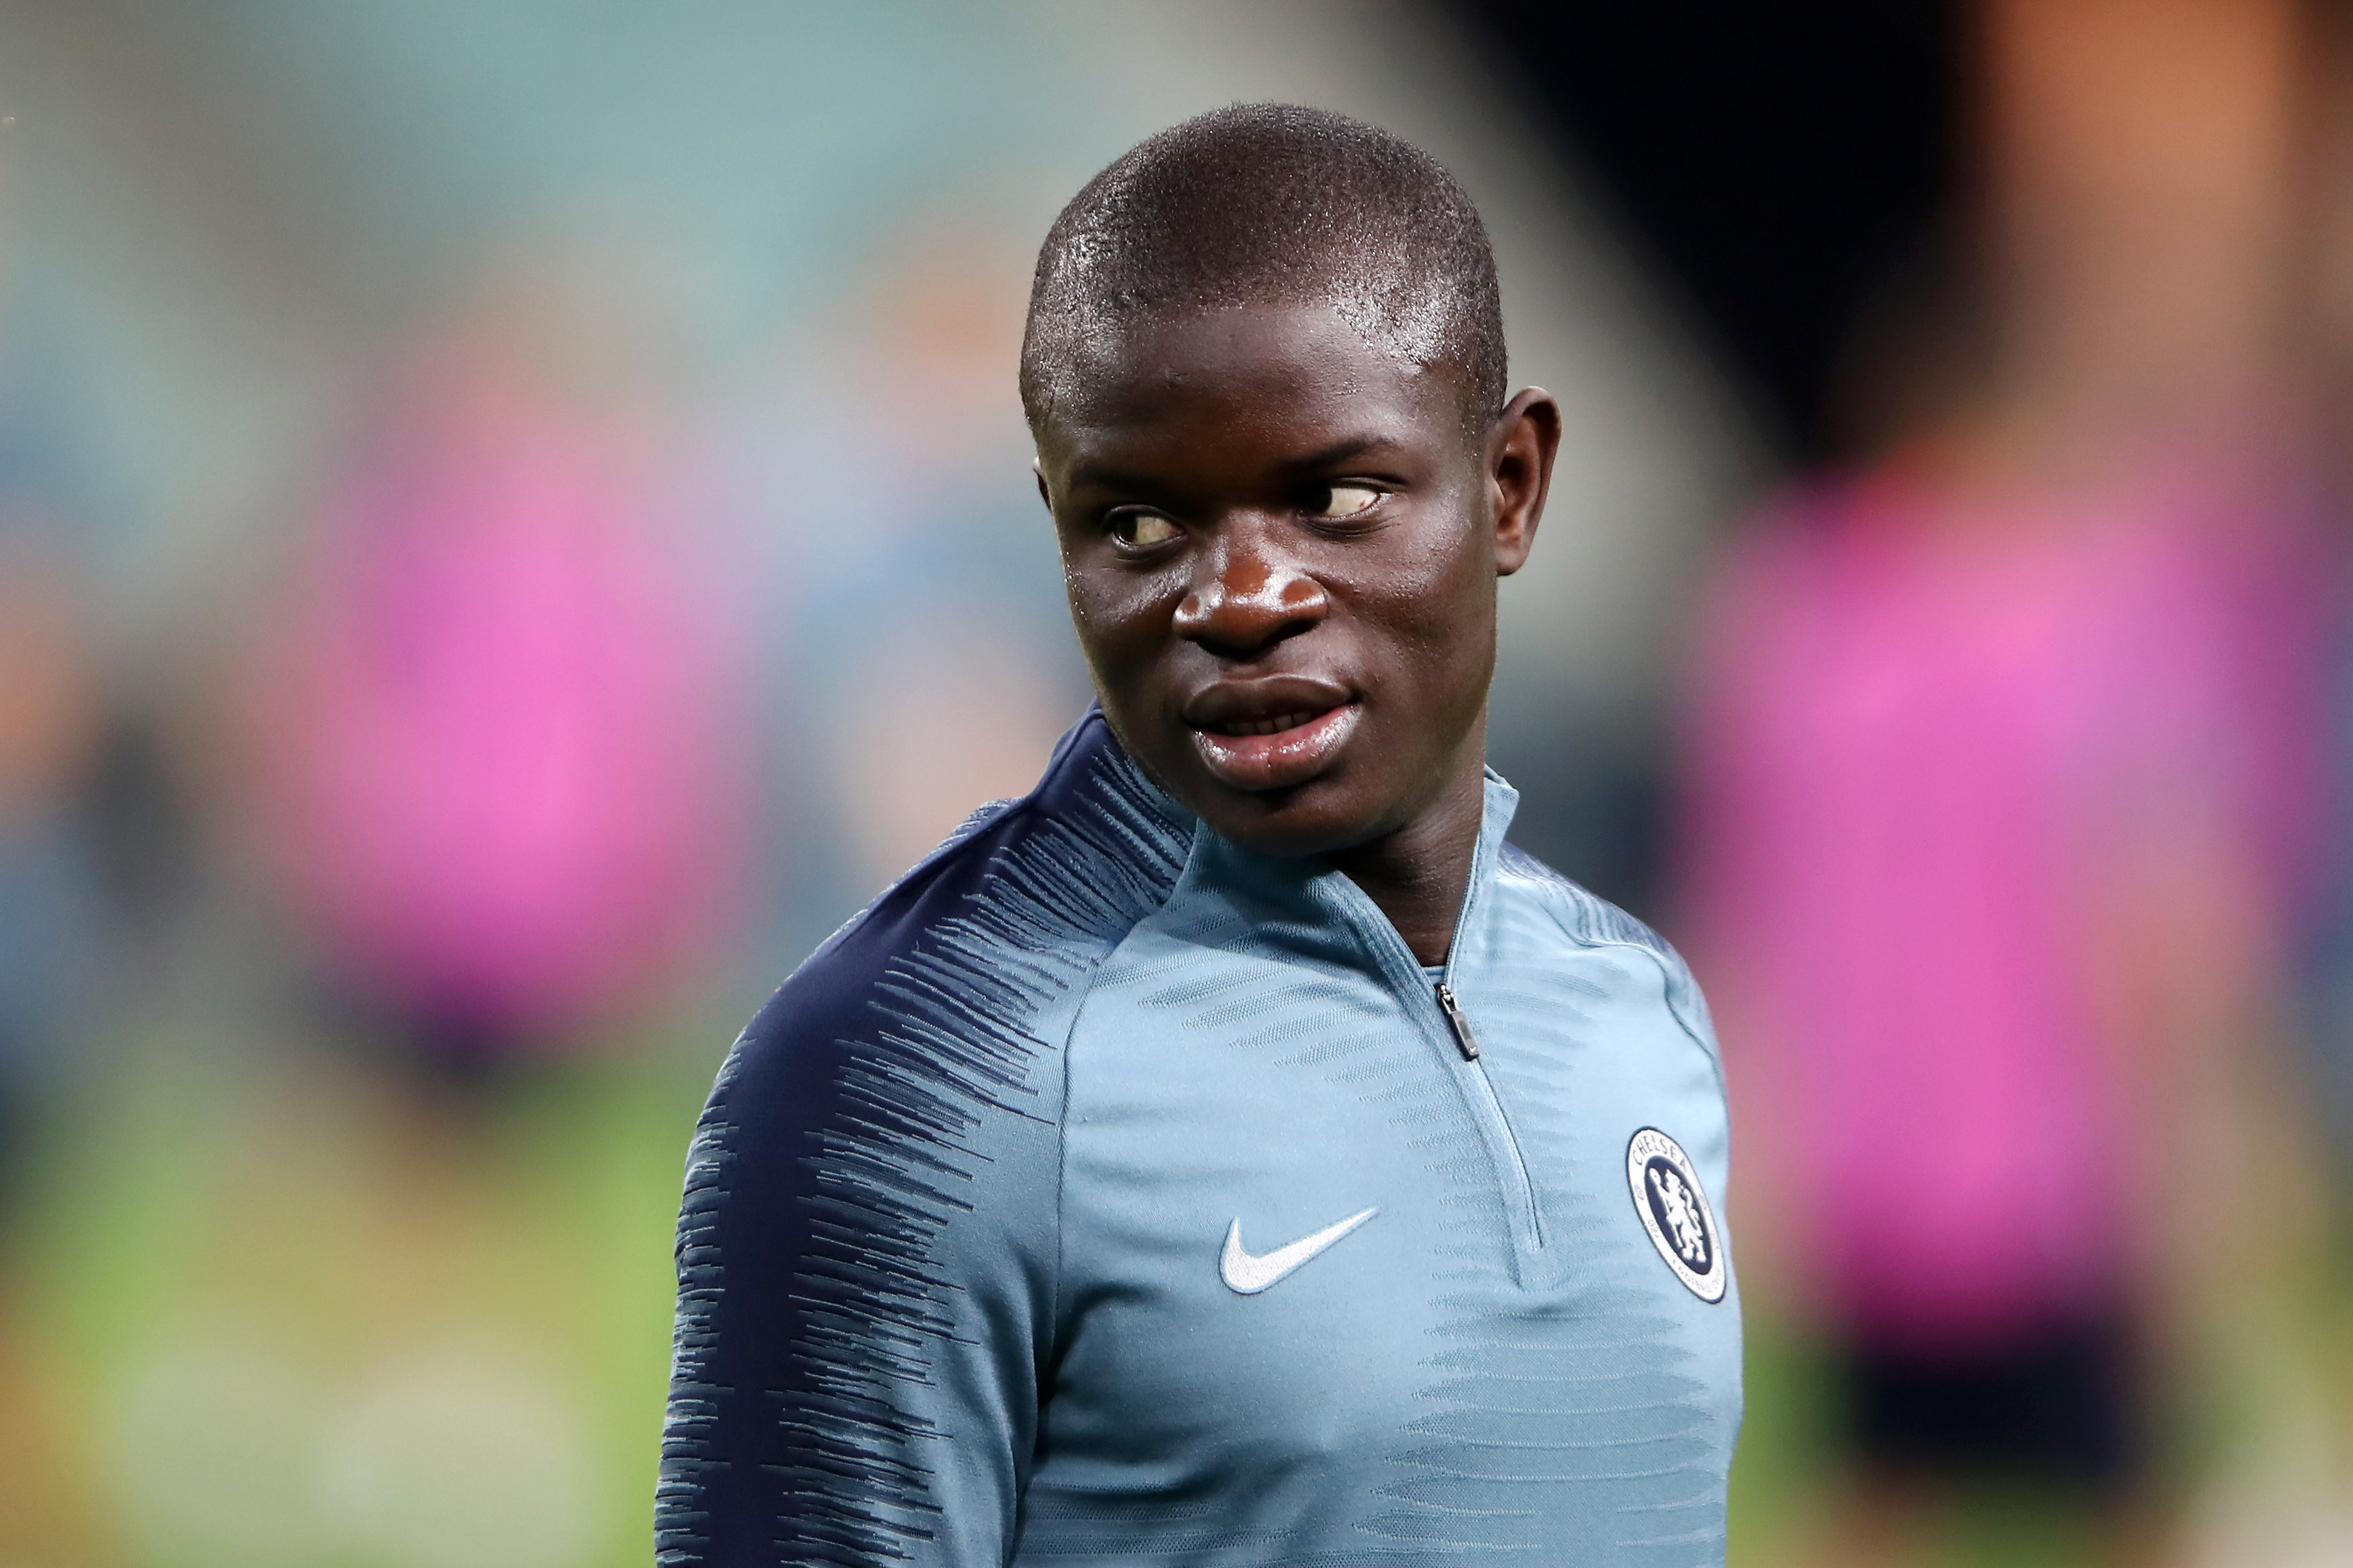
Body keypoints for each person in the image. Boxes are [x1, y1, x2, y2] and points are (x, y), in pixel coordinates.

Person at [657, 105, 1742, 1567]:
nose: (1237, 599)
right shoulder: (907, 1073)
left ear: (1510, 485)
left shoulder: (1635, 1005)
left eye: (1335, 497)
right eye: (1140, 526)